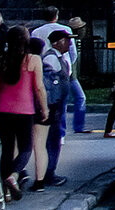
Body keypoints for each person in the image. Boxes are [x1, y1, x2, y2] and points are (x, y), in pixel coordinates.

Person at [0, 25, 47, 200]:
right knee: (25, 148)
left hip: (2, 110)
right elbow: (39, 87)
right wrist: (44, 108)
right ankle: (14, 176)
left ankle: (5, 193)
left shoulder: (0, 60)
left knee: (7, 150)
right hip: (25, 111)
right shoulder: (33, 60)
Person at [36, 25, 74, 190]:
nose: (69, 44)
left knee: (54, 140)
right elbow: (49, 84)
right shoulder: (51, 58)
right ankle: (47, 174)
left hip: (57, 105)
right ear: (58, 42)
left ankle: (49, 172)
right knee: (52, 141)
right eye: (67, 40)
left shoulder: (59, 57)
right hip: (53, 106)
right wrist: (52, 105)